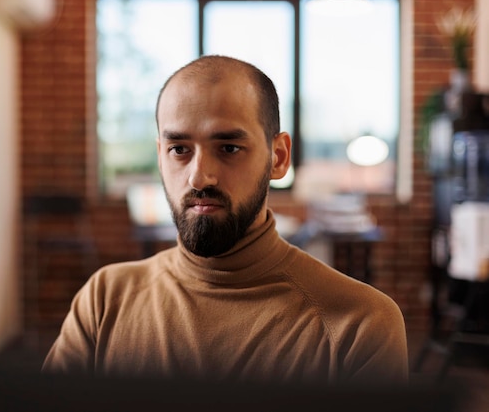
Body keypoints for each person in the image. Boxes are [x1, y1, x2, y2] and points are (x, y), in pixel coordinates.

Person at [43, 55, 408, 386]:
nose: (199, 177)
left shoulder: (360, 324)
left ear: (278, 157)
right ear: (159, 156)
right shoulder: (105, 299)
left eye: (229, 148)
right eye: (179, 150)